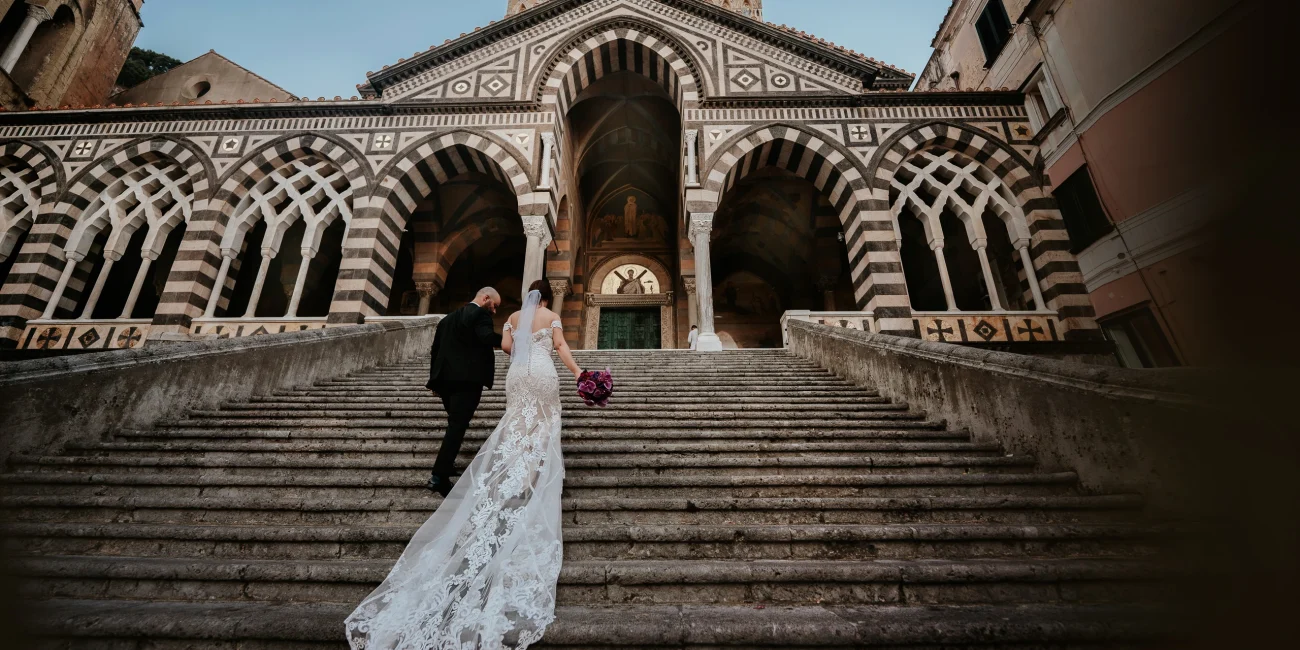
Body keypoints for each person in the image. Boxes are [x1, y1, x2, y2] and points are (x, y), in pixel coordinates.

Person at [346, 280, 582, 649]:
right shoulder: (552, 316)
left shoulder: (514, 317)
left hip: (517, 377)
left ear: (527, 297)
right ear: (549, 297)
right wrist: (579, 373)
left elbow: (506, 348)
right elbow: (560, 345)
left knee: (517, 423)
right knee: (542, 423)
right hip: (543, 374)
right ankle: (530, 476)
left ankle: (507, 470)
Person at [423, 287, 502, 497]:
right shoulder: (481, 314)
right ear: (486, 298)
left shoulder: (447, 319)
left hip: (445, 381)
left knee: (455, 423)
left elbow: (435, 351)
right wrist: (510, 339)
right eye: (494, 305)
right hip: (467, 382)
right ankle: (438, 477)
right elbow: (486, 338)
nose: (494, 311)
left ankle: (445, 467)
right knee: (457, 426)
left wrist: (434, 381)